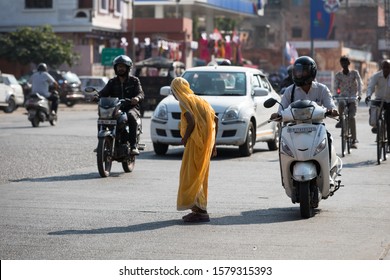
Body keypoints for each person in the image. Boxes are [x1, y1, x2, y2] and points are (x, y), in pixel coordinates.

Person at [270, 56, 338, 181]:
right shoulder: (290, 91)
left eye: (303, 71)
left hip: (316, 127)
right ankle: (286, 177)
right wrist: (277, 115)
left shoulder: (322, 89)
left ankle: (327, 173)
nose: (299, 74)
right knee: (282, 147)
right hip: (294, 129)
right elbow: (281, 111)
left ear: (311, 72)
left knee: (328, 139)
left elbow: (331, 106)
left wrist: (332, 111)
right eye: (297, 71)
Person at [170, 77, 218, 223]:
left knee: (191, 176)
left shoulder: (184, 101)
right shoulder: (200, 100)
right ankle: (198, 209)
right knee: (199, 175)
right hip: (206, 144)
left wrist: (184, 138)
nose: (173, 93)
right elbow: (215, 119)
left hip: (195, 144)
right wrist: (214, 144)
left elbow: (190, 120)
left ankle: (201, 212)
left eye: (173, 90)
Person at [97, 55, 144, 155]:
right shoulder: (112, 82)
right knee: (102, 117)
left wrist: (137, 98)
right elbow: (103, 92)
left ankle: (133, 146)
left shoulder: (134, 81)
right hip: (116, 108)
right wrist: (97, 96)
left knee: (131, 116)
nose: (120, 69)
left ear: (128, 68)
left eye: (123, 66)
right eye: (119, 67)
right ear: (115, 68)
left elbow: (141, 93)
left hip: (131, 107)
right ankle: (100, 144)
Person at [334, 56, 363, 149]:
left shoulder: (354, 73)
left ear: (348, 63)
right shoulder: (338, 75)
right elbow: (335, 87)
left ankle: (354, 140)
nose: (344, 65)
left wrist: (359, 95)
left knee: (352, 117)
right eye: (342, 63)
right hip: (343, 96)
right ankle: (340, 120)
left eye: (345, 63)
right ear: (341, 64)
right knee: (341, 103)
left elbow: (360, 84)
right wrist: (336, 95)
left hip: (353, 98)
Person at [365, 59, 390, 144]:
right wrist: (368, 95)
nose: (386, 69)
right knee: (374, 111)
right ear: (381, 68)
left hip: (389, 101)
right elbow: (371, 87)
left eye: (388, 67)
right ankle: (376, 126)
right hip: (379, 99)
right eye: (384, 67)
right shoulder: (376, 76)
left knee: (388, 117)